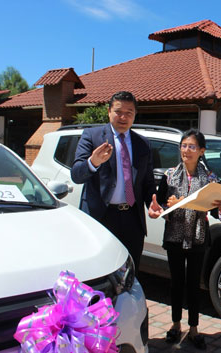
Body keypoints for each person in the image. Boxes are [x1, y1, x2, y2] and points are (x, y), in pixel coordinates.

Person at [71, 91, 162, 275]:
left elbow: (147, 182)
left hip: (132, 219)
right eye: (118, 111)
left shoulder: (142, 144)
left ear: (135, 115)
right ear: (109, 111)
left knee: (129, 272)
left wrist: (152, 203)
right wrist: (93, 162)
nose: (123, 117)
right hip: (101, 217)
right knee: (98, 273)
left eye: (129, 113)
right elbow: (76, 175)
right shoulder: (92, 136)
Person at [157, 129, 221, 350]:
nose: (186, 150)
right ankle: (176, 325)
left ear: (201, 151)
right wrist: (165, 206)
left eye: (191, 147)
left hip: (198, 237)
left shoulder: (210, 179)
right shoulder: (168, 175)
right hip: (174, 237)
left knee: (193, 285)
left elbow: (219, 213)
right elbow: (158, 206)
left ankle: (194, 328)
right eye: (183, 146)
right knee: (176, 283)